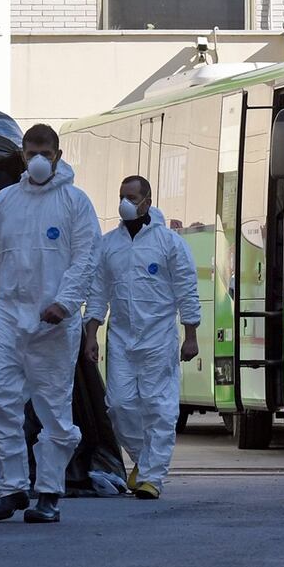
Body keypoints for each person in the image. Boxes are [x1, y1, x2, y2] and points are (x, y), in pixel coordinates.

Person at [0, 124, 101, 524]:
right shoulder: (4, 201)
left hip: (53, 324)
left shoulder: (75, 202)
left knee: (53, 408)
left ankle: (48, 492)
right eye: (31, 153)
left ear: (58, 155)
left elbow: (87, 257)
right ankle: (11, 488)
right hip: (8, 316)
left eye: (45, 152)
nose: (38, 159)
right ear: (23, 156)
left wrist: (65, 304)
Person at [83, 177, 200, 501]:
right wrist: (91, 335)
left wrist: (190, 335)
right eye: (121, 196)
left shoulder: (169, 243)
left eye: (131, 197)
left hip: (159, 339)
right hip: (121, 339)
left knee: (159, 407)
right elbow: (98, 294)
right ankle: (144, 459)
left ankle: (151, 478)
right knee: (119, 406)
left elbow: (187, 290)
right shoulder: (109, 245)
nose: (125, 202)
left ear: (147, 201)